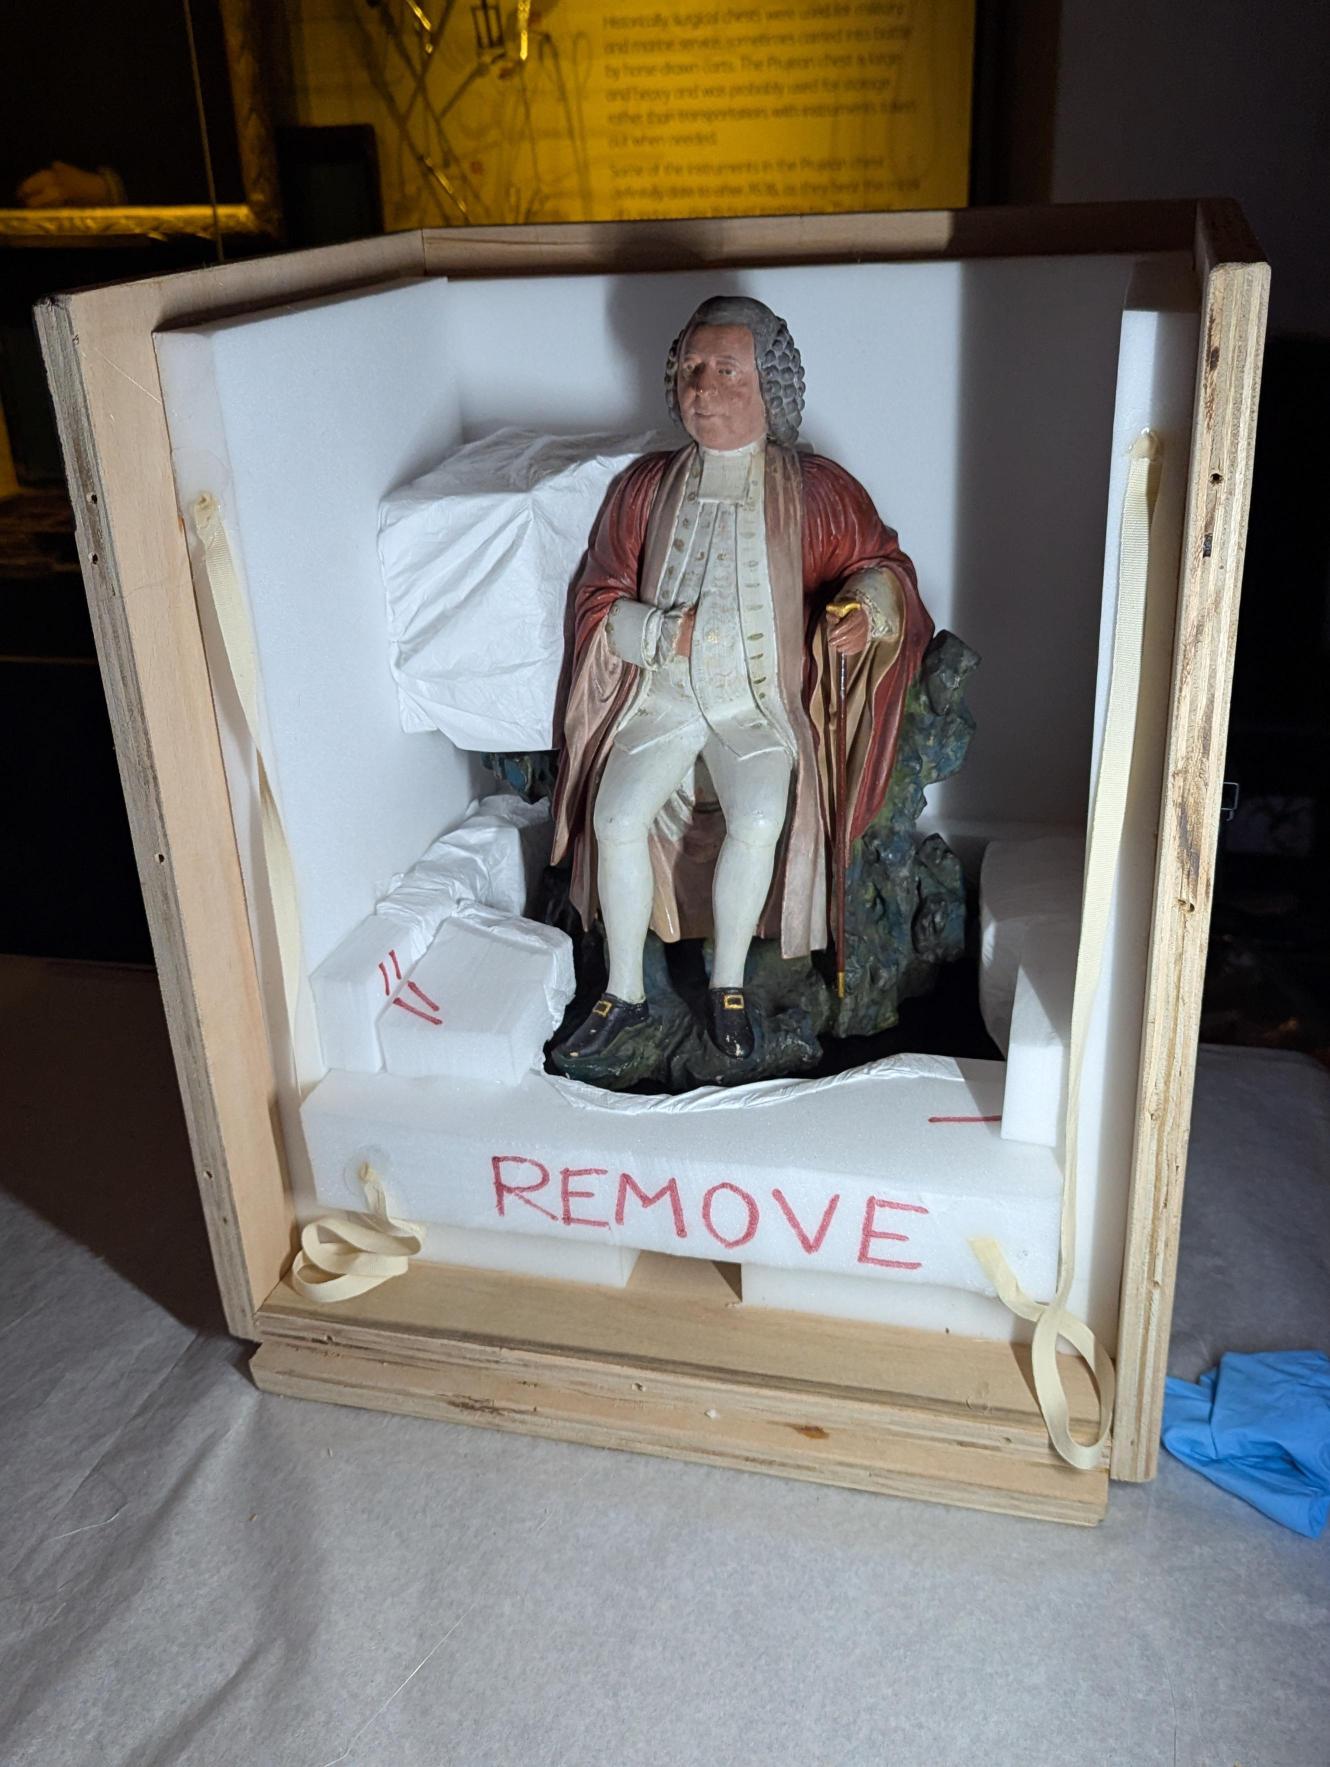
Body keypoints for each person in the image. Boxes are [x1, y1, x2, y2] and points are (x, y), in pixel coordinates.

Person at [551, 295, 932, 1061]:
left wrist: (867, 610)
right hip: (659, 703)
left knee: (760, 818)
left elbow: (881, 565)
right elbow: (594, 598)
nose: (703, 386)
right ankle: (623, 988)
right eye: (692, 368)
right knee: (617, 817)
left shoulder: (815, 488)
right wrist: (657, 633)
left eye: (727, 369)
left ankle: (727, 983)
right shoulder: (644, 488)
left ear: (771, 385)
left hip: (758, 710)